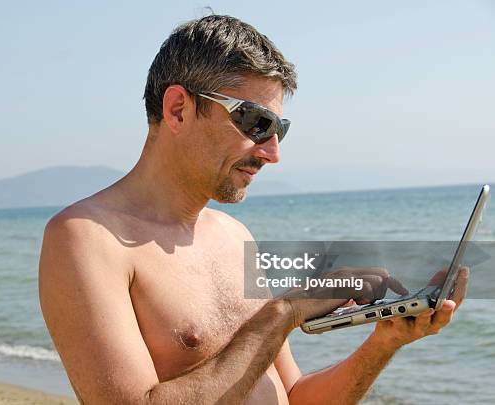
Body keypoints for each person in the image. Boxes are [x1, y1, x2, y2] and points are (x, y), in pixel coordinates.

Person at [38, 15, 468, 404]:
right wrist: (285, 312)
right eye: (257, 123)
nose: (272, 152)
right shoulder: (86, 237)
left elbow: (293, 398)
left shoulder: (233, 235)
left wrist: (383, 342)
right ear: (178, 109)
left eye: (279, 129)